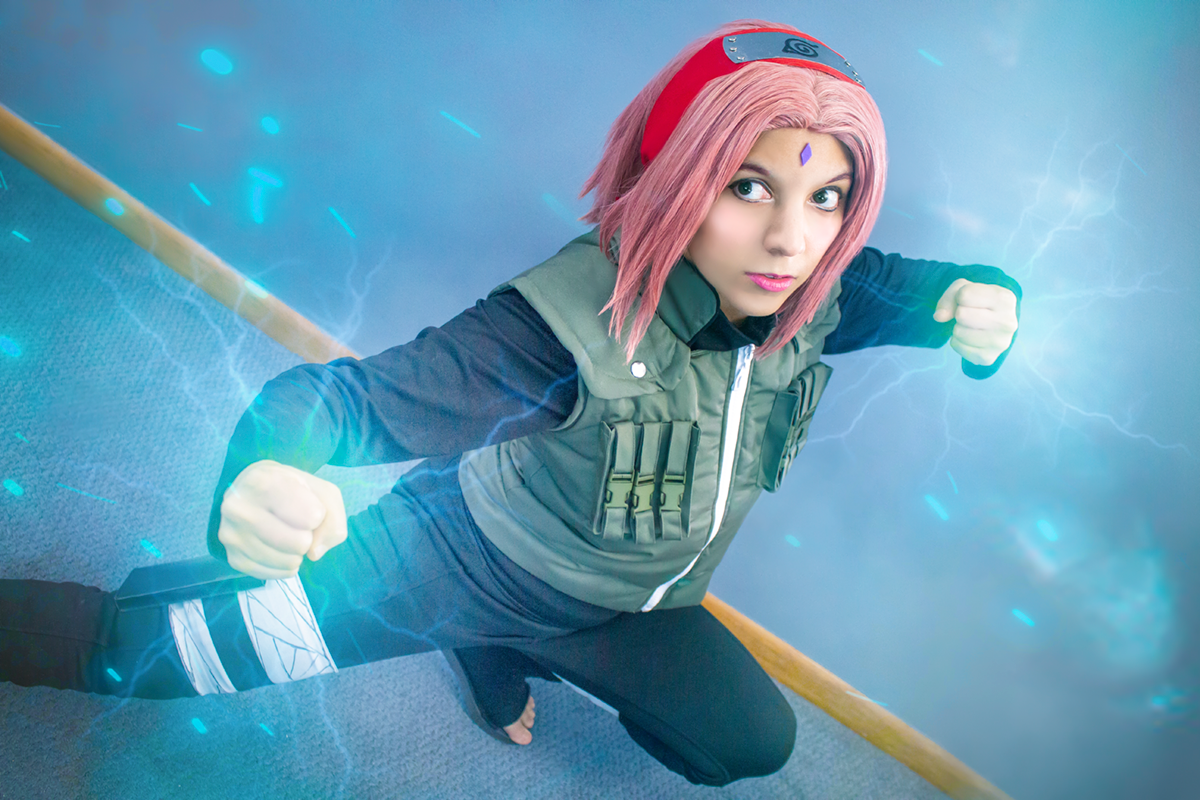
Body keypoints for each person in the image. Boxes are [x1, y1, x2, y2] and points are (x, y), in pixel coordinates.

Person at [0, 20, 1021, 788]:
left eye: (825, 197)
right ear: (678, 177)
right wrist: (266, 462)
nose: (791, 240)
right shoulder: (566, 324)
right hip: (461, 559)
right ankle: (476, 628)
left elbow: (929, 292)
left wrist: (983, 305)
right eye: (748, 188)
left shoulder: (819, 293)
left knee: (748, 742)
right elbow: (339, 400)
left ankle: (507, 646)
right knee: (149, 656)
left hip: (624, 603)